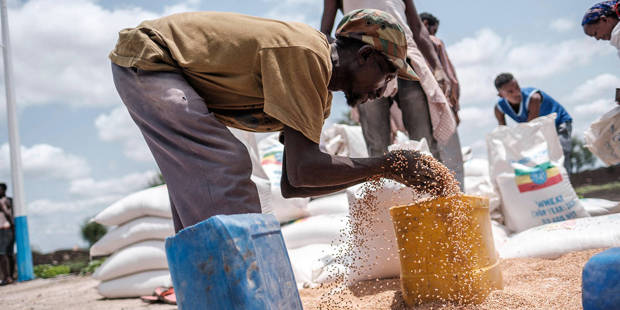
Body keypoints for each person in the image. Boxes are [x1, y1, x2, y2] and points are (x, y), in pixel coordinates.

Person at [110, 9, 440, 233]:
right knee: (225, 165)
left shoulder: (317, 91)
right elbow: (306, 170)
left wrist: (383, 169)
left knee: (202, 192)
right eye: (386, 76)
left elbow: (296, 182)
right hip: (152, 60)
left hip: (159, 69)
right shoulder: (308, 54)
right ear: (365, 55)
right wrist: (390, 165)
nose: (382, 92)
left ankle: (213, 293)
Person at [320, 0, 464, 189]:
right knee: (377, 147)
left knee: (423, 144)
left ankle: (435, 201)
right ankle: (387, 202)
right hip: (365, 62)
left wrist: (437, 68)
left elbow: (417, 27)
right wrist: (341, 64)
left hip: (404, 59)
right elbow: (325, 33)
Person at [493, 73, 574, 173]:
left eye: (517, 87)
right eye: (510, 91)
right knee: (539, 157)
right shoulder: (499, 108)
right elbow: (503, 132)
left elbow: (530, 127)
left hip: (558, 123)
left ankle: (565, 182)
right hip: (539, 128)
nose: (517, 93)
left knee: (560, 153)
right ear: (501, 95)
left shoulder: (533, 98)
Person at [419, 12, 460, 125]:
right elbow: (451, 76)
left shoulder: (408, 44)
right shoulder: (435, 41)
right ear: (425, 24)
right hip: (441, 99)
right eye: (434, 30)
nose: (434, 34)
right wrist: (456, 109)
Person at [0, 183, 14, 285]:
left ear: (4, 190)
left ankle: (7, 277)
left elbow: (8, 213)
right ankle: (9, 277)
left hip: (5, 230)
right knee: (8, 253)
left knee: (3, 253)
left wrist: (12, 225)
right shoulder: (7, 200)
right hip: (6, 229)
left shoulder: (5, 200)